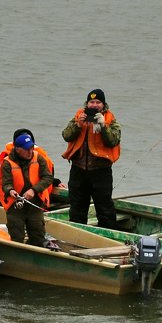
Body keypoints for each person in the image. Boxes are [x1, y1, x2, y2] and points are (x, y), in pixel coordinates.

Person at [61, 88, 122, 228]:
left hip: (101, 171)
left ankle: (108, 239)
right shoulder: (79, 116)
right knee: (77, 208)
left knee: (105, 209)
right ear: (87, 103)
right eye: (91, 102)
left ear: (103, 104)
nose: (94, 105)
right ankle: (76, 236)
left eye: (98, 102)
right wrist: (78, 125)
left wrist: (103, 125)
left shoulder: (110, 119)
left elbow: (113, 141)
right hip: (78, 170)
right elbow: (66, 135)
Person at [0, 133, 55, 247]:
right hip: (15, 205)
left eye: (31, 148)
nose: (30, 151)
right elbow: (5, 183)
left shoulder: (38, 158)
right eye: (26, 149)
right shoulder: (7, 162)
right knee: (17, 237)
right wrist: (10, 191)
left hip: (35, 202)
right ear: (18, 149)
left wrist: (34, 190)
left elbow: (48, 177)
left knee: (38, 235)